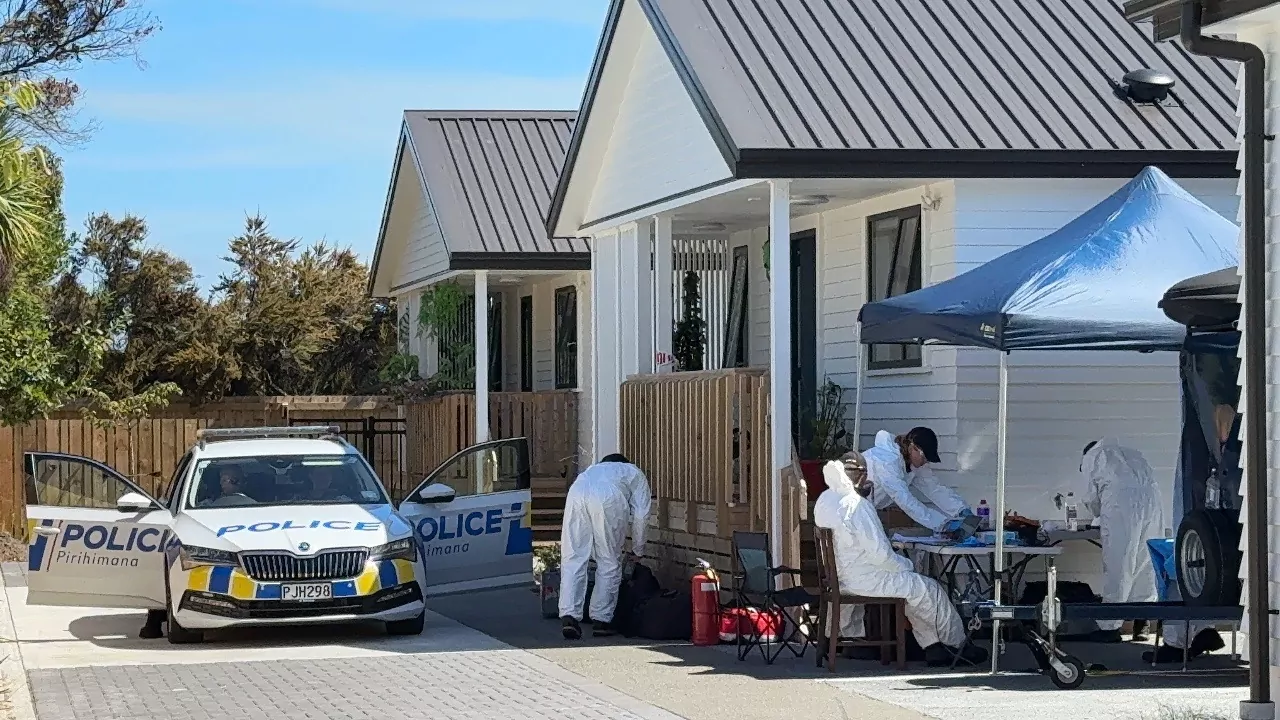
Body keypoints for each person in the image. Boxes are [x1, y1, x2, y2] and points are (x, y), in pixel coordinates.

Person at [813, 450, 988, 667]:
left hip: (841, 578)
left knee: (915, 588)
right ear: (860, 475)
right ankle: (957, 644)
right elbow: (881, 555)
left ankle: (933, 647)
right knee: (928, 588)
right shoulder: (857, 506)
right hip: (866, 579)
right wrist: (906, 565)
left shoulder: (825, 499)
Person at [558, 453, 652, 640]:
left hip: (577, 491)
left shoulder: (592, 470)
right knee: (609, 561)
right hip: (609, 498)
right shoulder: (634, 472)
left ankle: (569, 616)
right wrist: (638, 549)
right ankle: (601, 621)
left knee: (573, 558)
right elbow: (642, 515)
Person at [1080, 438, 1164, 643]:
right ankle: (1142, 622)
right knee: (1146, 560)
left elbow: (1090, 497)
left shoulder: (1092, 456)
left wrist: (1097, 514)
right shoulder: (1131, 451)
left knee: (1119, 561)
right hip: (1152, 501)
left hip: (1121, 504)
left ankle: (1110, 627)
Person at [863, 427, 970, 532]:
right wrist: (942, 523)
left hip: (867, 510)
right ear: (912, 447)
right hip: (852, 510)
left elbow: (933, 488)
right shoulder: (887, 462)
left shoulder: (912, 462)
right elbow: (904, 499)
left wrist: (961, 509)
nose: (925, 462)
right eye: (924, 457)